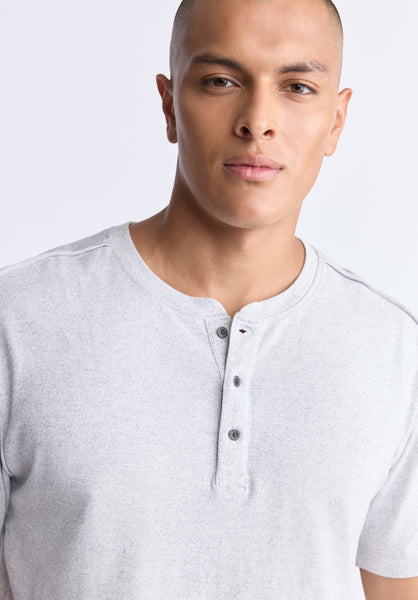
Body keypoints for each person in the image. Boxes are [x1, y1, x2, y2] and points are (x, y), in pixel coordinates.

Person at [1, 0, 417, 598]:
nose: (258, 121)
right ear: (170, 104)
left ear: (336, 120)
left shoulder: (395, 351)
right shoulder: (18, 321)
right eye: (221, 81)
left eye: (297, 87)